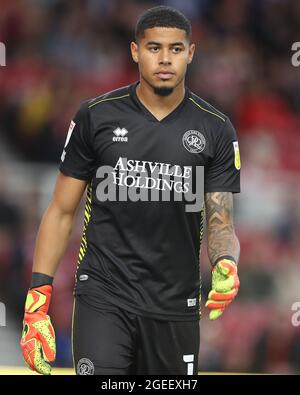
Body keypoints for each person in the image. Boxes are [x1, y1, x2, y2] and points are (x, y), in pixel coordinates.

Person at [20, 5, 241, 375]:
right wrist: (38, 298)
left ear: (191, 53)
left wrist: (226, 263)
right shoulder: (95, 116)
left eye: (175, 48)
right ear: (135, 51)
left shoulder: (216, 129)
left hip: (176, 305)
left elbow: (221, 219)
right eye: (154, 48)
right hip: (103, 296)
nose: (165, 58)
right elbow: (60, 211)